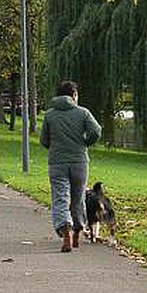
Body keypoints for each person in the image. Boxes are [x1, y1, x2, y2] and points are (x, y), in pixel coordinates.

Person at [40, 79, 103, 251]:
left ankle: (64, 228)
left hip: (57, 163)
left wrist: (54, 148)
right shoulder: (83, 112)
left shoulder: (49, 115)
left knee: (60, 197)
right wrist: (85, 143)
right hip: (79, 162)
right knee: (78, 197)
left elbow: (44, 140)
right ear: (74, 95)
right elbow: (96, 131)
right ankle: (77, 230)